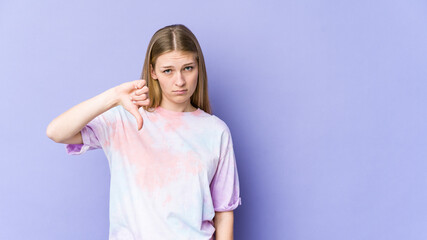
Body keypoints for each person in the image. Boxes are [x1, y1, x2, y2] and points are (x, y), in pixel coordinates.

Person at [46, 24, 242, 240]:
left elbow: (224, 211)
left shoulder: (216, 131)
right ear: (152, 71)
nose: (180, 81)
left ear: (198, 67)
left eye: (188, 68)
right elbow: (57, 132)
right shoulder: (124, 119)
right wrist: (113, 97)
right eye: (168, 70)